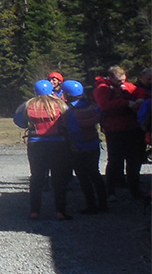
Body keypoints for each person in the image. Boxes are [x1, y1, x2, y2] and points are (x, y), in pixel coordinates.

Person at [14, 80, 72, 220]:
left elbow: (19, 122)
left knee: (37, 177)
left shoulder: (28, 105)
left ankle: (35, 211)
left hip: (36, 145)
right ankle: (60, 211)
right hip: (58, 144)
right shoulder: (60, 104)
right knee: (58, 178)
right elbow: (71, 123)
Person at [93, 65, 147, 200]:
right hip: (114, 129)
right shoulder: (102, 89)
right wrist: (126, 103)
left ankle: (135, 190)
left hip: (130, 127)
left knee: (133, 160)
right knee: (115, 160)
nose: (122, 83)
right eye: (119, 80)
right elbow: (104, 105)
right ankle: (110, 191)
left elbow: (141, 93)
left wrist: (141, 100)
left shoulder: (125, 86)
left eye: (124, 80)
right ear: (111, 78)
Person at [61, 80, 108, 215]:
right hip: (93, 144)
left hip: (78, 147)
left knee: (83, 176)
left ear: (68, 94)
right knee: (95, 173)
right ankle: (103, 203)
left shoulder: (69, 111)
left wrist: (74, 145)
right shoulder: (93, 107)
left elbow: (74, 130)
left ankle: (91, 205)